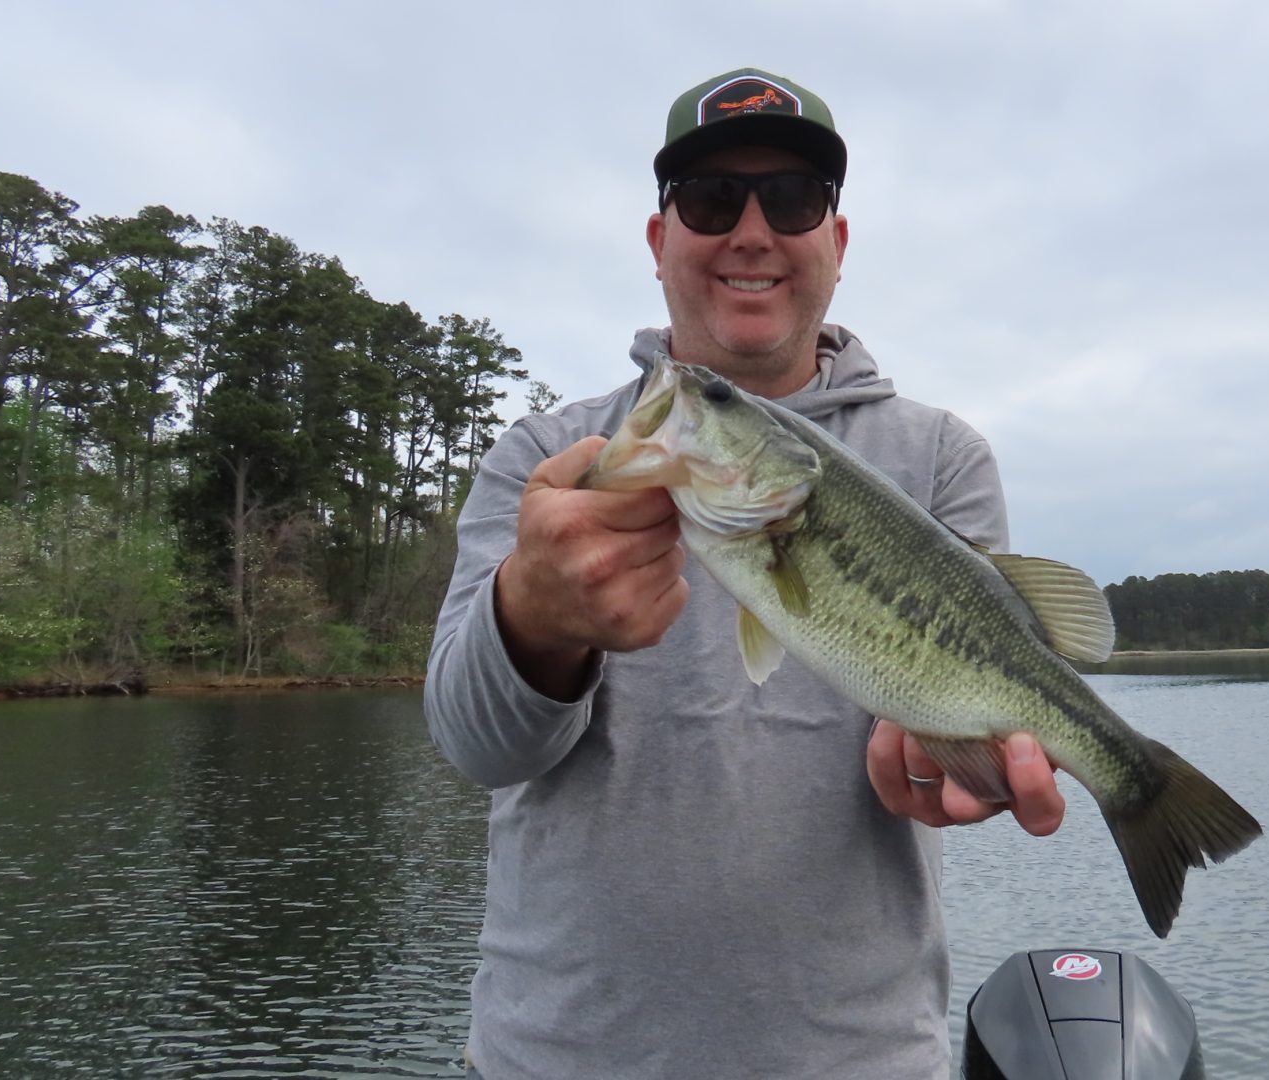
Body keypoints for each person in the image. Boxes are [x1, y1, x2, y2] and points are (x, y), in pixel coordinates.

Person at [425, 67, 1065, 1080]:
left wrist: (947, 752)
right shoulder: (547, 459)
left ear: (837, 243)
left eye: (795, 199)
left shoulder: (940, 458)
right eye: (713, 199)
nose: (753, 232)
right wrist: (533, 619)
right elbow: (475, 745)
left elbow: (957, 707)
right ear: (659, 240)